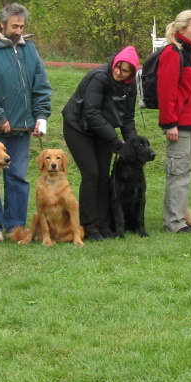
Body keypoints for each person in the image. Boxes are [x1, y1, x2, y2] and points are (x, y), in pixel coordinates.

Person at [0, 3, 52, 241]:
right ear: (2, 24)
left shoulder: (29, 49)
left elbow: (41, 86)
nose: (18, 31)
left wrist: (41, 116)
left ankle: (15, 227)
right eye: (14, 26)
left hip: (21, 130)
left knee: (18, 178)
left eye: (22, 26)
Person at [62, 46, 140, 241]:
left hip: (102, 130)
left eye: (124, 70)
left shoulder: (130, 86)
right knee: (92, 174)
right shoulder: (100, 77)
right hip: (78, 127)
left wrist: (132, 146)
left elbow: (128, 119)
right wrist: (115, 141)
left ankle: (104, 225)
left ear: (132, 74)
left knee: (104, 176)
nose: (118, 72)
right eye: (117, 67)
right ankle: (90, 227)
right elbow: (91, 112)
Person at [157, 10, 191, 233]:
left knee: (184, 171)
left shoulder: (187, 53)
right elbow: (166, 91)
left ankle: (179, 218)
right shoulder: (172, 53)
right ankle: (174, 223)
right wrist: (170, 123)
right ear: (181, 29)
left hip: (190, 122)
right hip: (179, 124)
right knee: (178, 172)